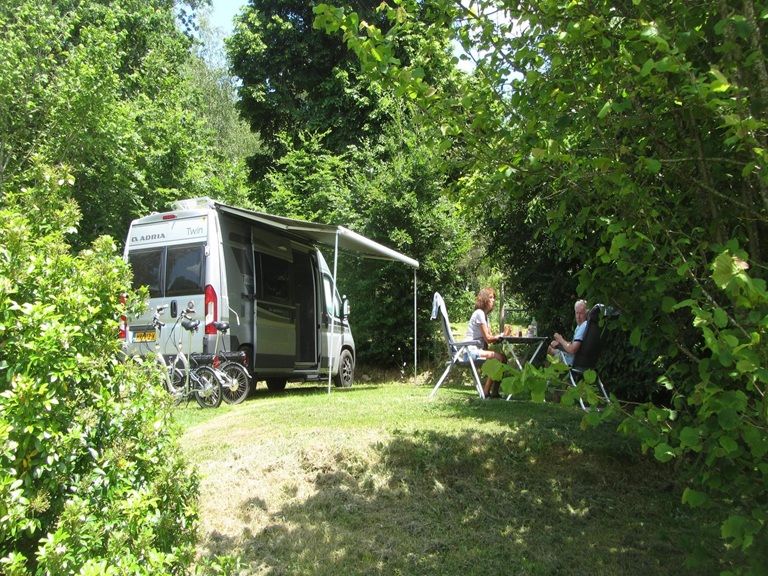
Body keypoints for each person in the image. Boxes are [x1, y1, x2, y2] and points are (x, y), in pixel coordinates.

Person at [465, 287, 509, 399]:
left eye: (494, 298)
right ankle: (485, 392)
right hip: (470, 351)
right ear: (484, 299)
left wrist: (503, 335)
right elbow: (489, 339)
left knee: (503, 358)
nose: (493, 300)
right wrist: (501, 335)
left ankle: (494, 393)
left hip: (479, 350)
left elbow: (490, 338)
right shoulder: (479, 313)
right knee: (499, 358)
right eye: (490, 297)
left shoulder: (485, 317)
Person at [547, 299, 588, 366]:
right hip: (578, 358)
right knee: (553, 344)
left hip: (571, 361)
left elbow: (572, 350)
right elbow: (575, 344)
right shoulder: (583, 326)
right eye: (577, 313)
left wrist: (560, 339)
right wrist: (561, 343)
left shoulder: (583, 326)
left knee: (550, 349)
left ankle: (548, 372)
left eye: (581, 313)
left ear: (586, 314)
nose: (578, 317)